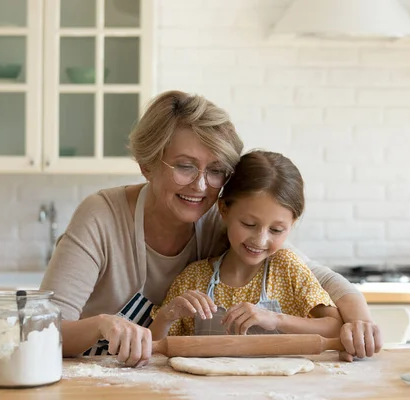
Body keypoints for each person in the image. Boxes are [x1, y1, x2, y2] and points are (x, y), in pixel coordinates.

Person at [39, 90, 382, 368]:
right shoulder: (101, 217)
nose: (201, 185)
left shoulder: (220, 219)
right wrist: (102, 324)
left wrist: (360, 324)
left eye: (216, 170)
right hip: (89, 378)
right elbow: (41, 329)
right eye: (185, 166)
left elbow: (320, 278)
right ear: (146, 165)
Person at [149, 150, 343, 340]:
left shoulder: (287, 269)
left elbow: (334, 327)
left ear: (292, 224)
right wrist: (167, 316)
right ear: (224, 209)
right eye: (249, 225)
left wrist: (276, 320)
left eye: (276, 230)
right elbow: (155, 346)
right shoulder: (194, 278)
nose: (260, 240)